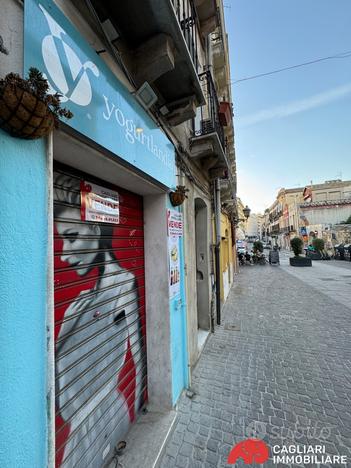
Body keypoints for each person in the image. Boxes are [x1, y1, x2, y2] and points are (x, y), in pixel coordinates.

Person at [54, 172, 144, 467]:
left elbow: (140, 363)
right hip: (79, 434)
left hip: (102, 426)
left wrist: (141, 406)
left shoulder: (123, 285)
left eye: (71, 238)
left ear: (95, 228)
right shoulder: (77, 305)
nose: (64, 254)